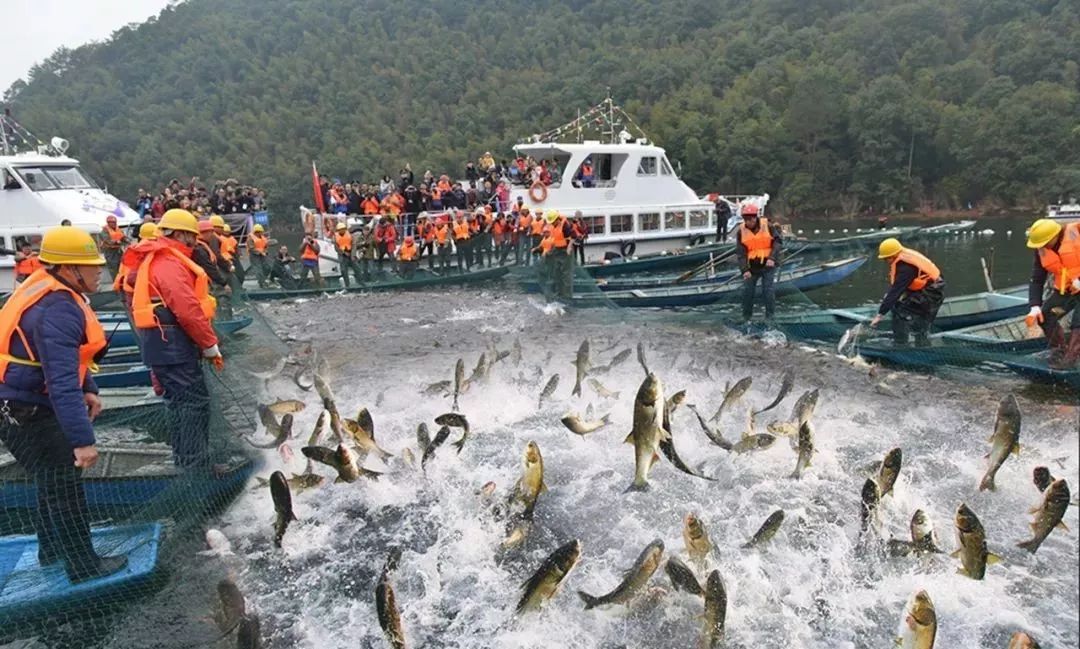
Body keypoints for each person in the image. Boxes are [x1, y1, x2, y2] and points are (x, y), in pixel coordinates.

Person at [0, 226, 130, 583]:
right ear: (68, 269)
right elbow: (59, 382)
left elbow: (69, 360)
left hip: (16, 406)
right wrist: (81, 440)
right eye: (91, 266)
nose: (98, 272)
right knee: (66, 489)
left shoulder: (49, 291)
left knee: (51, 481)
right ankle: (83, 567)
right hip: (27, 411)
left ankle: (52, 553)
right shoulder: (57, 308)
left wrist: (88, 386)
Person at [126, 209, 220, 470]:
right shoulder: (168, 262)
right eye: (191, 236)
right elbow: (187, 309)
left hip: (162, 344)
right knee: (193, 404)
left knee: (178, 403)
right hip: (172, 344)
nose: (194, 242)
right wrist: (209, 344)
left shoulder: (158, 258)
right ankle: (195, 466)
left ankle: (185, 460)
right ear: (179, 234)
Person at [1025, 219, 1080, 368]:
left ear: (1055, 235)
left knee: (1078, 322)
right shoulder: (1041, 250)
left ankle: (1071, 358)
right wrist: (1034, 306)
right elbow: (1037, 279)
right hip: (1067, 290)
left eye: (1045, 243)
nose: (1042, 247)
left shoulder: (1076, 236)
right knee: (1046, 316)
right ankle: (1060, 350)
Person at [869, 238, 945, 347]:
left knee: (900, 310)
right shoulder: (904, 257)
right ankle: (921, 341)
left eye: (886, 259)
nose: (886, 261)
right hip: (928, 287)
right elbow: (902, 286)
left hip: (932, 292)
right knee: (904, 307)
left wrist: (880, 315)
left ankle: (901, 343)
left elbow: (895, 291)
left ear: (893, 256)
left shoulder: (906, 268)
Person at [735, 203, 782, 324]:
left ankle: (770, 317)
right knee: (747, 292)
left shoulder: (768, 226)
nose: (748, 222)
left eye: (750, 219)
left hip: (768, 265)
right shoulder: (741, 231)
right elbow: (741, 253)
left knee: (768, 291)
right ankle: (746, 317)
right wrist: (744, 270)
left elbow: (778, 242)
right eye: (746, 219)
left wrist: (772, 258)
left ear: (756, 217)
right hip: (752, 267)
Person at [195, 221, 233, 319]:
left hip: (207, 280)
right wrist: (223, 283)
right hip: (205, 281)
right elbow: (209, 268)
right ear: (204, 232)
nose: (212, 234)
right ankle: (222, 320)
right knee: (220, 296)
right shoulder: (200, 249)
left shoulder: (203, 245)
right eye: (210, 232)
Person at [540, 210, 574, 300]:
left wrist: (569, 248)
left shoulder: (565, 225)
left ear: (557, 219)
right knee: (557, 272)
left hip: (566, 250)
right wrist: (549, 252)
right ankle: (559, 293)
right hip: (557, 249)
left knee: (566, 274)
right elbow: (555, 240)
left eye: (553, 222)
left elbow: (573, 237)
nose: (552, 224)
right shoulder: (553, 226)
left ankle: (567, 296)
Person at [99, 215, 129, 279]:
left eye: (114, 222)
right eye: (111, 222)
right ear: (108, 223)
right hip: (110, 252)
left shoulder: (118, 229)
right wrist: (117, 241)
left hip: (118, 251)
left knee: (121, 266)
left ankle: (121, 281)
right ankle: (116, 282)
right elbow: (108, 241)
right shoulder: (104, 231)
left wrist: (127, 241)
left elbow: (123, 237)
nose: (113, 223)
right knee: (113, 267)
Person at [333, 222, 359, 287]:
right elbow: (336, 248)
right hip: (342, 255)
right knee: (343, 270)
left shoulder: (350, 235)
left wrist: (353, 255)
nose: (342, 230)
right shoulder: (335, 237)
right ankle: (347, 285)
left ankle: (361, 282)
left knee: (357, 268)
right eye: (340, 229)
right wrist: (344, 253)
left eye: (343, 229)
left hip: (350, 254)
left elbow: (354, 245)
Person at [247, 224, 272, 288]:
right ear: (257, 232)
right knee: (258, 269)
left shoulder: (263, 237)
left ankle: (263, 279)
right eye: (260, 231)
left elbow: (265, 246)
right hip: (254, 256)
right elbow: (251, 248)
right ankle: (262, 283)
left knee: (268, 267)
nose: (262, 233)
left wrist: (265, 252)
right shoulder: (250, 238)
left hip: (263, 255)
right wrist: (260, 253)